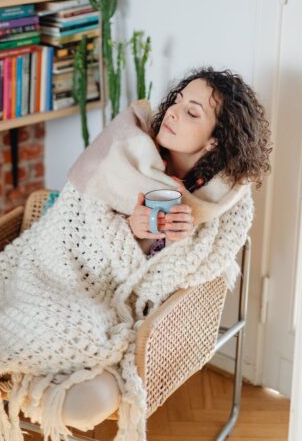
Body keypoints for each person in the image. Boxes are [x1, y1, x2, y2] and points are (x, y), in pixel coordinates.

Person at [62, 67, 272, 430]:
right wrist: (130, 229)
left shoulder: (222, 200)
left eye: (192, 112)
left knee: (84, 398)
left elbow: (196, 268)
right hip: (75, 281)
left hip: (139, 318)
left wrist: (179, 242)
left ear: (215, 141)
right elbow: (82, 220)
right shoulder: (131, 153)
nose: (173, 111)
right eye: (177, 101)